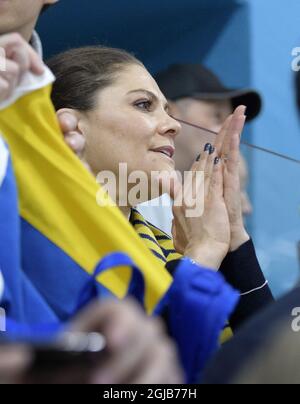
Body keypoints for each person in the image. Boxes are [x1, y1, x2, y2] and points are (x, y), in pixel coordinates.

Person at [48, 46, 273, 335]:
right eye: (144, 105)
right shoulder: (39, 239)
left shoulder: (169, 248)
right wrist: (202, 254)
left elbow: (266, 361)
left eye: (166, 110)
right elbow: (122, 366)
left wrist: (233, 246)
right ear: (72, 126)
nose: (173, 126)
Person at [139, 64, 259, 234]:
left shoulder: (203, 203)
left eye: (231, 121)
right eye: (217, 116)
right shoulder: (136, 194)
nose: (227, 130)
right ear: (170, 112)